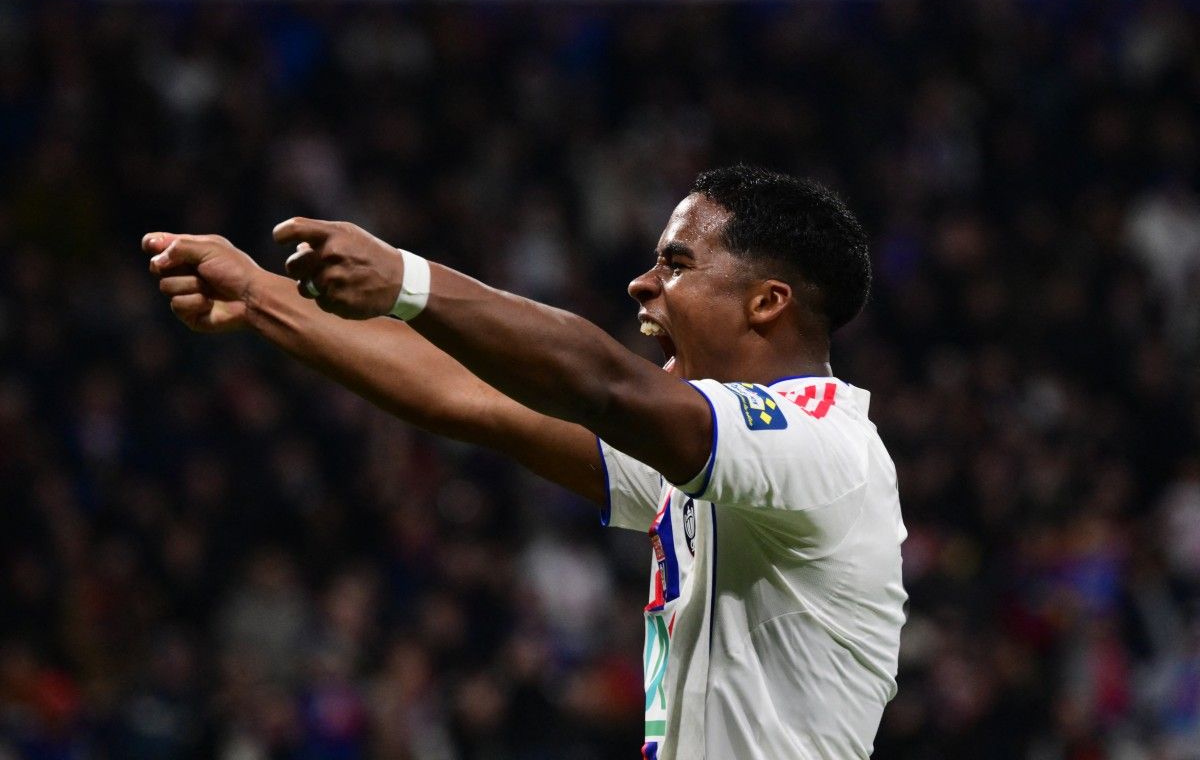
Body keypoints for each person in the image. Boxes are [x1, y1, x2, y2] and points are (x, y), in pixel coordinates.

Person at [144, 165, 907, 759]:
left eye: (676, 264)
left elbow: (605, 384)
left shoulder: (823, 445)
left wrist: (410, 282)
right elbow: (467, 395)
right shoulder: (716, 456)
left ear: (766, 303)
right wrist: (261, 298)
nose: (643, 282)